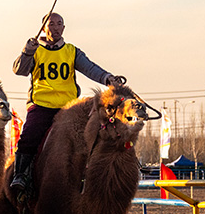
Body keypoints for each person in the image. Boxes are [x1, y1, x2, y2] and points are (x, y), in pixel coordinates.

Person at [10, 12, 123, 192]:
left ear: (64, 28)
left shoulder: (71, 51)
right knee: (28, 137)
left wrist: (108, 78)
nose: (55, 28)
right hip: (41, 105)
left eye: (59, 24)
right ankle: (21, 175)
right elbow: (19, 70)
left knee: (95, 133)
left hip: (69, 107)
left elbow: (90, 68)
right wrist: (27, 51)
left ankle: (99, 174)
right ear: (43, 28)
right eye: (51, 24)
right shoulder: (35, 50)